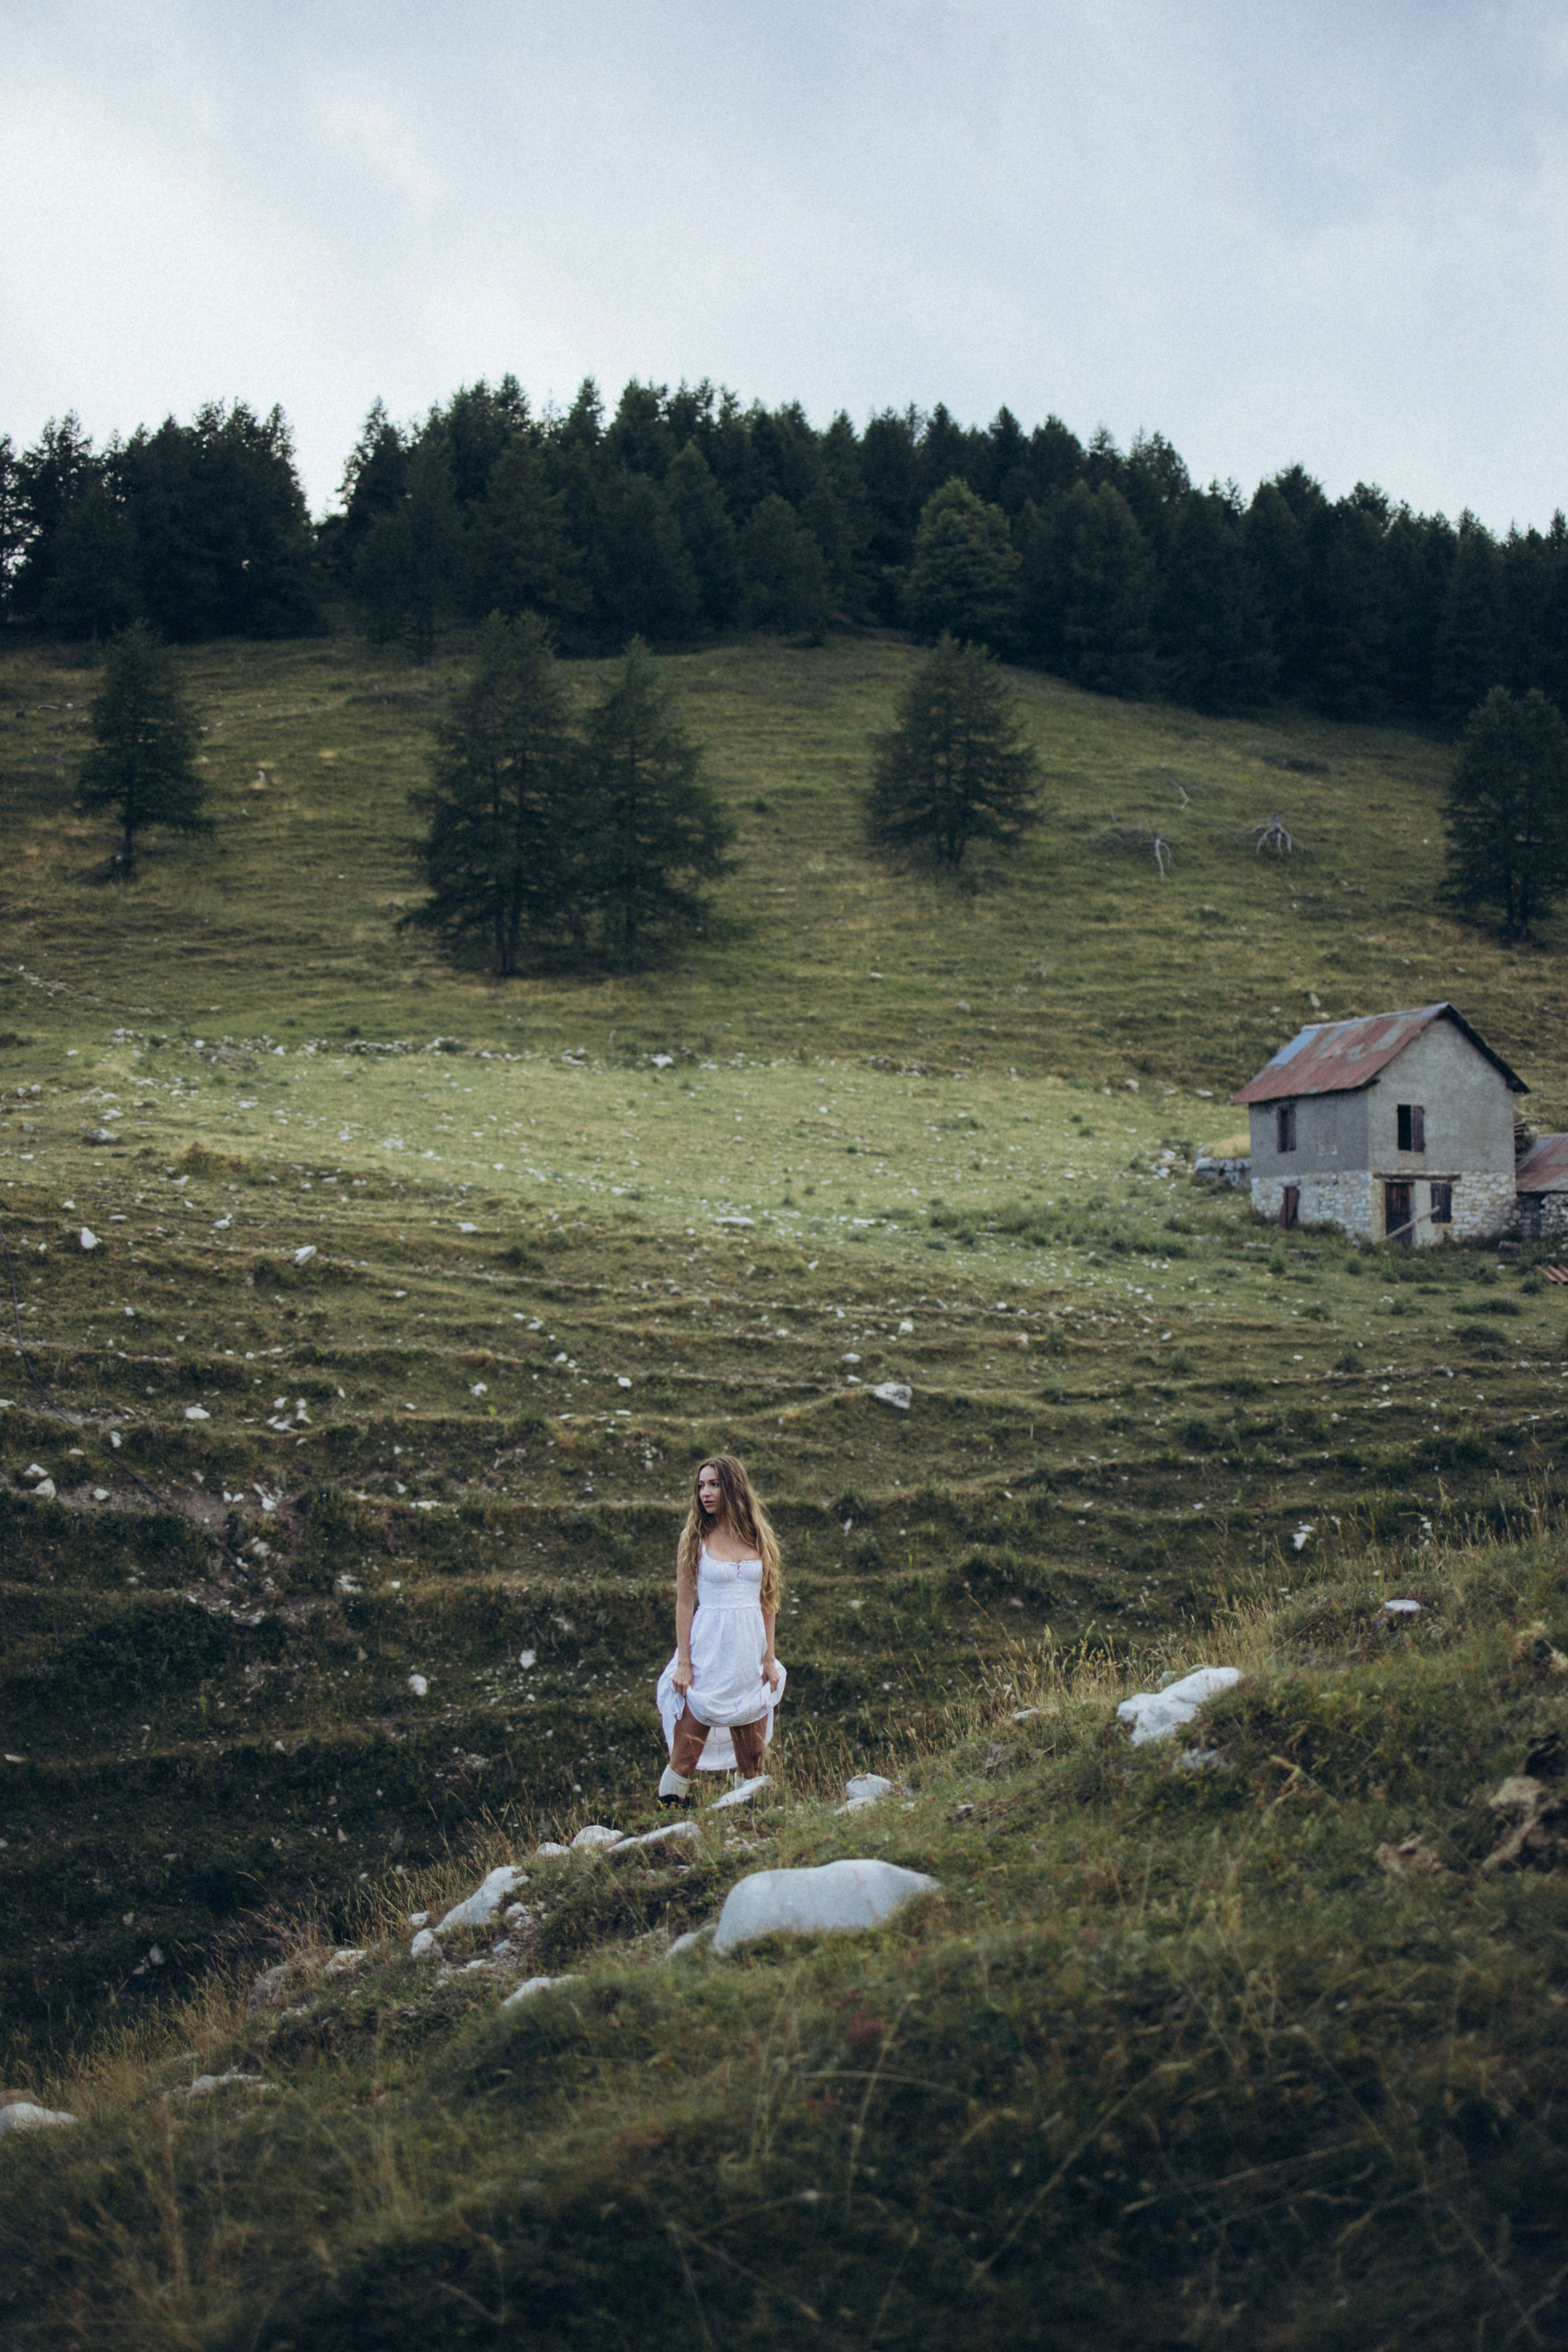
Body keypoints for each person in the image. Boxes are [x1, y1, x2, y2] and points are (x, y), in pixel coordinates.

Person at [655, 1454, 785, 1801]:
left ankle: (751, 1834)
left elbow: (768, 1602)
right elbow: (684, 1604)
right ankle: (670, 1835)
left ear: (732, 1486)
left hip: (748, 1660)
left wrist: (769, 1659)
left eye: (714, 1485)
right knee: (683, 1759)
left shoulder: (760, 1536)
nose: (705, 1493)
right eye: (701, 1486)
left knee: (753, 1765)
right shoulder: (694, 1538)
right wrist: (684, 1663)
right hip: (707, 1658)